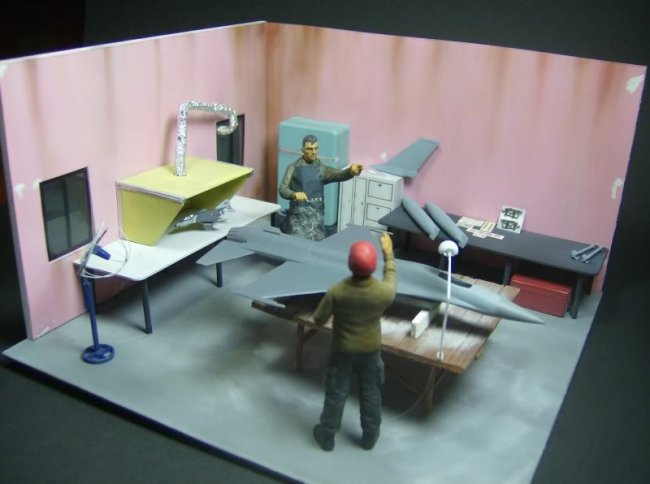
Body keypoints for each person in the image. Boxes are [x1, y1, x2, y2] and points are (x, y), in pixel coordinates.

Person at [311, 232, 396, 451]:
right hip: (371, 352)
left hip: (343, 351)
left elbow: (318, 319)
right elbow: (391, 279)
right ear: (373, 265)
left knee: (336, 394)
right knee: (371, 394)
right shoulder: (383, 293)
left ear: (349, 263)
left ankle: (327, 435)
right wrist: (389, 256)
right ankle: (370, 437)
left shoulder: (337, 291)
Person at [279, 134, 363, 240]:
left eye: (316, 148)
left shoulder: (321, 169)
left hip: (317, 219)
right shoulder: (293, 167)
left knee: (319, 243)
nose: (314, 152)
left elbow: (338, 174)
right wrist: (293, 194)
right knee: (296, 243)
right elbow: (282, 189)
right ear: (302, 150)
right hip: (298, 218)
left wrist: (350, 171)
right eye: (309, 149)